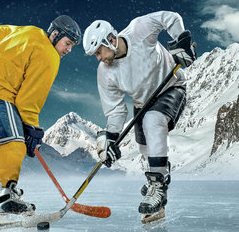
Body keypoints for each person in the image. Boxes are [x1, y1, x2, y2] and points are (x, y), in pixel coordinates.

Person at [0, 15, 81, 217]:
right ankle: (5, 198)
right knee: (16, 142)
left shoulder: (30, 31)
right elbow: (29, 99)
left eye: (71, 46)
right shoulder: (49, 56)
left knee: (7, 139)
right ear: (55, 35)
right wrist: (32, 129)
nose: (68, 50)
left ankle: (4, 189)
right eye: (67, 43)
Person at [83, 11, 196, 216]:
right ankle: (159, 181)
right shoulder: (105, 72)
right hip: (143, 102)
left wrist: (181, 42)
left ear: (110, 40)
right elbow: (116, 109)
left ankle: (158, 187)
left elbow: (170, 18)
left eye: (98, 52)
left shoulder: (139, 29)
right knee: (146, 148)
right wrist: (111, 138)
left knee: (153, 122)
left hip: (171, 86)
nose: (98, 58)